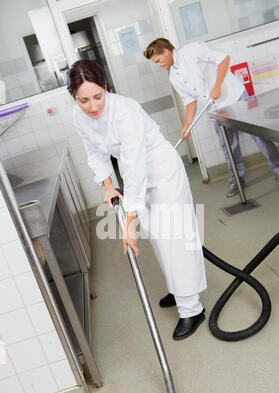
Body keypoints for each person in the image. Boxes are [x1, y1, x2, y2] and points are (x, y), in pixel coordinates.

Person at [67, 59, 207, 341]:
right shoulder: (78, 116)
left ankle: (192, 308)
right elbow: (94, 153)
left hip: (161, 168)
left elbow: (133, 165)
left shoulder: (125, 111)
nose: (93, 107)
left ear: (106, 87)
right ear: (74, 97)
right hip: (137, 173)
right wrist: (108, 187)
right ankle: (178, 288)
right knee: (157, 235)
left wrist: (128, 223)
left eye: (98, 97)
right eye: (84, 100)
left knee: (175, 237)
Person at [144, 38, 279, 197]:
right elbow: (190, 101)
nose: (158, 65)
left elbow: (224, 58)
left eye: (158, 60)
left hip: (235, 96)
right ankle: (237, 180)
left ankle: (278, 169)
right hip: (216, 109)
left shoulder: (192, 50)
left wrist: (217, 86)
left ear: (166, 51)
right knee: (228, 145)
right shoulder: (173, 77)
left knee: (258, 135)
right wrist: (187, 125)